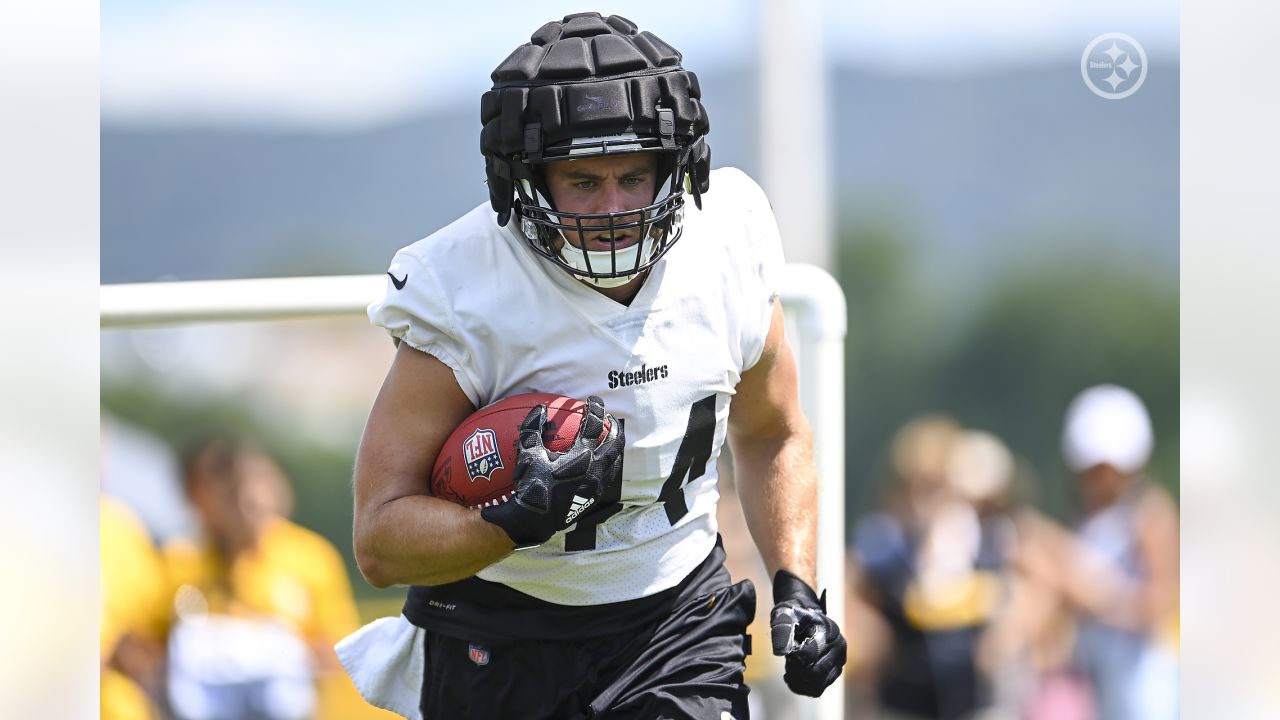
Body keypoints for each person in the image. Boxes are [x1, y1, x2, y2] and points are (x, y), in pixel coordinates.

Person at [341, 11, 846, 719]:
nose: (612, 209)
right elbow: (380, 540)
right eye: (582, 181)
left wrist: (796, 583)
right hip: (500, 630)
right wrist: (511, 522)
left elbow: (772, 433)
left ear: (678, 167)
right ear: (526, 180)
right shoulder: (463, 287)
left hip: (676, 622)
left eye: (634, 177)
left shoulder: (729, 245)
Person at [165, 435, 370, 720]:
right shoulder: (181, 560)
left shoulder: (311, 556)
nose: (253, 503)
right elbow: (151, 645)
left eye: (262, 487)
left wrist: (281, 653)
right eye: (238, 494)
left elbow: (340, 652)